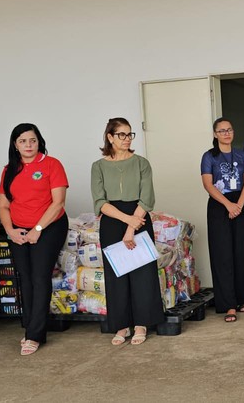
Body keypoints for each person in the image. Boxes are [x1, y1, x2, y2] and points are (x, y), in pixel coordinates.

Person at [0, 124, 69, 355]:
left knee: (39, 277)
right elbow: (3, 205)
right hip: (19, 230)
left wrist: (38, 228)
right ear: (15, 145)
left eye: (32, 140)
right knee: (25, 278)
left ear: (39, 142)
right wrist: (10, 230)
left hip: (49, 226)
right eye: (22, 141)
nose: (28, 145)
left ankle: (34, 335)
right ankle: (30, 326)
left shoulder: (51, 164)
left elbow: (58, 202)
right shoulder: (9, 170)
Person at [92, 118, 164, 346]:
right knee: (117, 275)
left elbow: (147, 197)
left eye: (129, 134)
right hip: (113, 221)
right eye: (121, 135)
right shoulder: (98, 166)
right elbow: (100, 201)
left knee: (143, 273)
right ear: (110, 137)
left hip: (139, 218)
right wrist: (126, 221)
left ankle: (142, 323)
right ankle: (121, 325)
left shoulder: (141, 163)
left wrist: (131, 227)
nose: (126, 139)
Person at [201, 118, 244, 322]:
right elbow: (208, 184)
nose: (226, 133)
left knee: (241, 252)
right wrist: (228, 205)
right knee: (222, 254)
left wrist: (238, 204)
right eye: (222, 131)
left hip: (240, 203)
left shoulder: (241, 154)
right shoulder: (209, 156)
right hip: (219, 205)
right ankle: (228, 304)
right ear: (215, 134)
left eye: (229, 130)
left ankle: (240, 299)